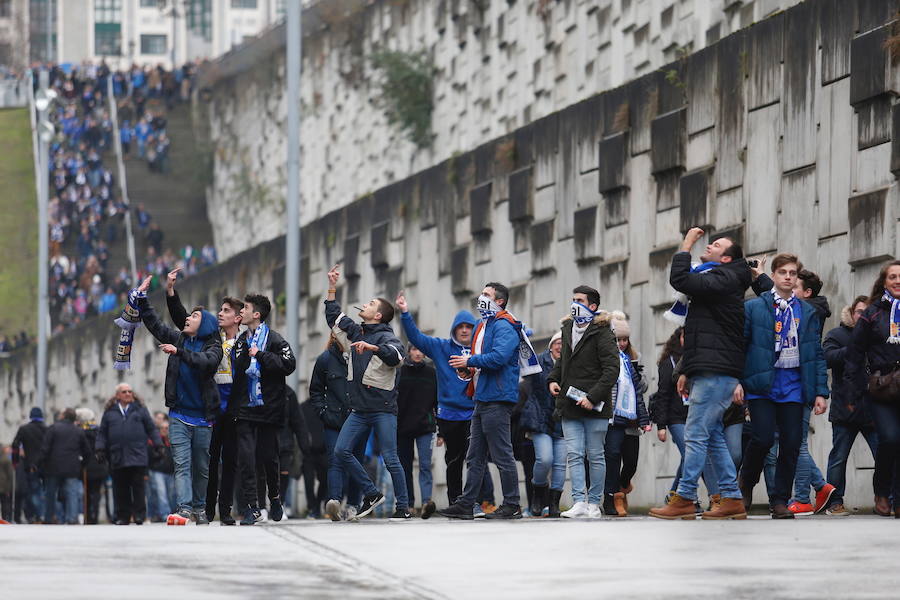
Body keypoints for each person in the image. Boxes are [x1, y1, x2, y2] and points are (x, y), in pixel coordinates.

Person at [649, 228, 751, 520]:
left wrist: (686, 245)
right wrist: (685, 371)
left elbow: (680, 279)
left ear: (727, 257)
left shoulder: (724, 277)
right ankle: (731, 498)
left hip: (717, 371)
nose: (709, 246)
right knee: (714, 435)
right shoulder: (720, 279)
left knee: (695, 434)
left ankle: (684, 497)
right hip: (709, 369)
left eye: (715, 245)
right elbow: (699, 334)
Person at [735, 253, 828, 519]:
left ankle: (779, 499)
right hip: (763, 383)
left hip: (795, 385)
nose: (788, 277)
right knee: (762, 438)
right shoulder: (754, 307)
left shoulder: (808, 312)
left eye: (793, 273)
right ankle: (747, 482)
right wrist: (737, 382)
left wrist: (821, 391)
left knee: (790, 443)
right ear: (773, 276)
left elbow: (816, 354)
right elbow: (740, 347)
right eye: (783, 272)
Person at [323, 265, 409, 520]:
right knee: (341, 451)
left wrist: (372, 347)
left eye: (371, 303)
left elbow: (396, 357)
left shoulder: (387, 336)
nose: (366, 305)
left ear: (378, 315)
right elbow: (333, 316)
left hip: (383, 408)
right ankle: (371, 493)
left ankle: (403, 507)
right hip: (359, 409)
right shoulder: (357, 330)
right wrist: (332, 286)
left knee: (392, 458)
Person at [396, 293, 495, 514]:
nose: (464, 330)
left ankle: (475, 502)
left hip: (475, 413)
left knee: (475, 460)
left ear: (474, 329)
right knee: (454, 461)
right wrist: (404, 313)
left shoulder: (482, 349)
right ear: (454, 330)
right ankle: (456, 503)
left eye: (468, 327)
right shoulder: (441, 347)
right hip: (449, 415)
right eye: (460, 327)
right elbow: (416, 337)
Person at [136, 275, 222, 526]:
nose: (187, 318)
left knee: (202, 468)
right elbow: (156, 325)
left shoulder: (213, 346)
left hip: (203, 418)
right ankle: (184, 509)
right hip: (179, 415)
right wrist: (143, 300)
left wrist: (179, 352)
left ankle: (200, 508)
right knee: (182, 464)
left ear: (204, 324)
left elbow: (205, 363)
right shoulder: (179, 339)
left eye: (194, 317)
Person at [439, 282, 528, 520]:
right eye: (481, 293)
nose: (481, 297)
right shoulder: (483, 324)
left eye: (487, 294)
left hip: (498, 398)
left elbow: (499, 357)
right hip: (482, 397)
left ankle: (512, 504)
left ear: (499, 301)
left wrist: (469, 363)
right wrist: (467, 371)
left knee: (501, 454)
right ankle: (467, 503)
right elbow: (481, 360)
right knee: (474, 455)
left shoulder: (504, 325)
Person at [165, 269, 243, 525]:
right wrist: (171, 293)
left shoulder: (245, 341)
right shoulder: (209, 336)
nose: (220, 314)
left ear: (238, 318)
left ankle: (226, 509)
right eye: (218, 311)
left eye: (226, 311)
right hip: (206, 404)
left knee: (215, 463)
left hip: (225, 408)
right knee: (197, 463)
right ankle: (198, 509)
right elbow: (182, 318)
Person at [231, 293, 296, 525]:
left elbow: (289, 365)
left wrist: (260, 355)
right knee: (247, 458)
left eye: (245, 308)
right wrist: (243, 353)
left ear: (256, 314)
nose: (241, 312)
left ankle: (275, 498)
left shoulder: (276, 340)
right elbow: (235, 368)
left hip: (269, 407)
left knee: (269, 457)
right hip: (245, 407)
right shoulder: (240, 341)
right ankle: (252, 506)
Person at [844, 260, 900, 519]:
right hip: (881, 388)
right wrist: (853, 393)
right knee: (889, 439)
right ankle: (881, 491)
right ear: (884, 281)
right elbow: (855, 356)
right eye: (892, 277)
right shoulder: (872, 313)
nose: (898, 281)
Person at [822, 296, 881, 516]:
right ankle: (834, 502)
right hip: (845, 407)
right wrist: (854, 348)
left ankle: (887, 500)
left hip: (873, 409)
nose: (862, 315)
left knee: (885, 455)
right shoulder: (838, 334)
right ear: (852, 313)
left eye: (866, 312)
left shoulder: (878, 336)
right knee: (838, 457)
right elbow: (826, 357)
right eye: (859, 311)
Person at [310, 333, 367, 521]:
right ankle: (334, 501)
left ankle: (352, 505)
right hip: (333, 421)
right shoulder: (325, 360)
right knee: (335, 460)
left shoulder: (364, 357)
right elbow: (316, 390)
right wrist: (323, 413)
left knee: (356, 463)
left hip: (358, 419)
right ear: (335, 336)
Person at [603, 312, 651, 517]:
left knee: (631, 461)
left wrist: (636, 375)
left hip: (630, 418)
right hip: (612, 417)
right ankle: (613, 498)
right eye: (617, 340)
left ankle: (623, 485)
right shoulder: (604, 358)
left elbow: (644, 387)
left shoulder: (634, 358)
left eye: (624, 339)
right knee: (612, 456)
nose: (621, 344)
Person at [96, 383, 163, 525]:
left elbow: (151, 429)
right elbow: (102, 433)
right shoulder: (110, 412)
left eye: (130, 391)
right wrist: (100, 448)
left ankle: (139, 515)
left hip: (138, 455)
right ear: (118, 395)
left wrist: (158, 444)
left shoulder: (140, 410)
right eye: (124, 391)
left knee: (138, 487)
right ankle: (122, 516)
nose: (128, 394)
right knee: (120, 488)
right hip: (117, 455)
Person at [520, 331, 565, 517]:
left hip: (563, 420)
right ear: (551, 345)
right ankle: (538, 494)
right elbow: (524, 371)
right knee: (545, 459)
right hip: (540, 418)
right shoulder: (538, 361)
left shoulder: (571, 366)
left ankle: (554, 504)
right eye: (557, 343)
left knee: (560, 464)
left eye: (564, 343)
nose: (560, 347)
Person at [396, 344, 438, 518]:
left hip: (425, 427)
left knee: (425, 466)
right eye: (414, 349)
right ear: (408, 351)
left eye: (421, 350)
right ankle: (408, 505)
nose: (418, 353)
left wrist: (440, 429)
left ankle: (427, 502)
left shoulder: (431, 373)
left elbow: (437, 401)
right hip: (401, 427)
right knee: (404, 467)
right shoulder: (399, 372)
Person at [38, 408, 90, 524]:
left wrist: (41, 464)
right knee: (72, 493)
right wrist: (82, 464)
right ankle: (72, 518)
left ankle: (49, 517)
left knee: (51, 493)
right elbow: (87, 451)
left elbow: (45, 448)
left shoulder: (53, 428)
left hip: (53, 467)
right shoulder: (78, 431)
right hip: (72, 467)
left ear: (63, 416)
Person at [11, 407, 48, 523]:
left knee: (33, 490)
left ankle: (36, 515)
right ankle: (44, 514)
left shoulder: (24, 429)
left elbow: (15, 445)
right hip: (46, 465)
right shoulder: (48, 429)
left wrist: (15, 461)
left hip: (30, 465)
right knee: (46, 490)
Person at [76, 407, 107, 525]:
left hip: (87, 467)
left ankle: (89, 516)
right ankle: (94, 515)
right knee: (96, 493)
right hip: (100, 466)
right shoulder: (99, 430)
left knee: (88, 494)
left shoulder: (81, 432)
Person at [299, 395, 329, 519]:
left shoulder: (326, 406)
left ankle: (317, 503)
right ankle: (313, 508)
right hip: (308, 452)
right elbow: (298, 427)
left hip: (324, 450)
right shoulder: (303, 407)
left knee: (325, 480)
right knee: (308, 481)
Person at [148, 418, 175, 522]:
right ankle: (165, 515)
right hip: (157, 471)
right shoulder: (154, 441)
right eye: (162, 428)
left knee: (171, 494)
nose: (164, 430)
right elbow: (149, 455)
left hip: (171, 471)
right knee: (161, 493)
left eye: (167, 428)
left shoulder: (173, 440)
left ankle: (170, 513)